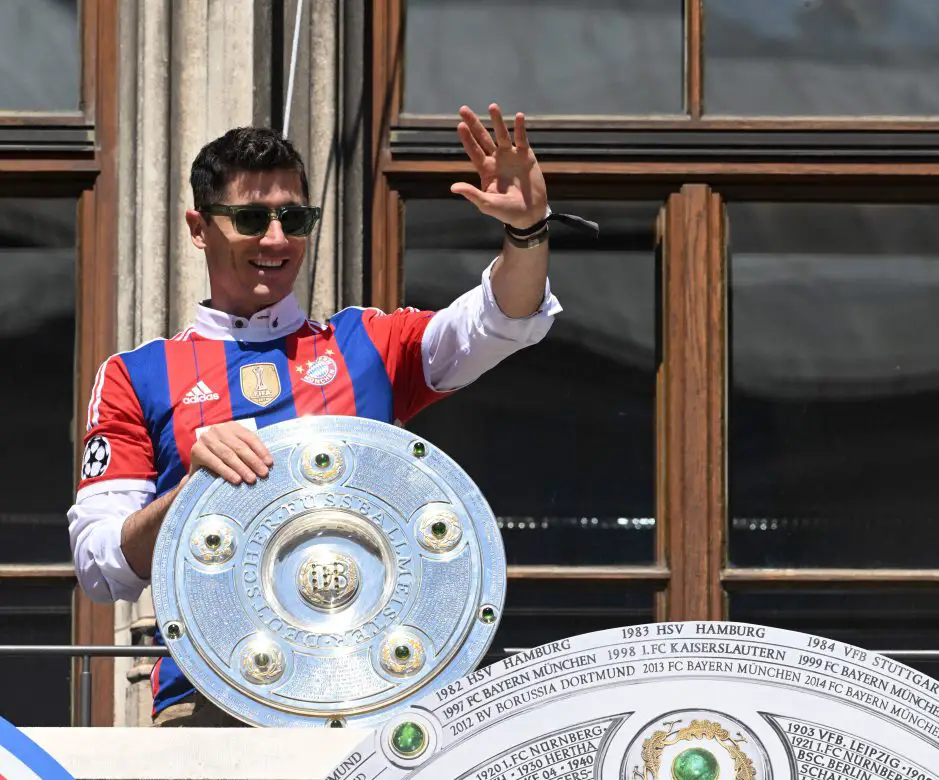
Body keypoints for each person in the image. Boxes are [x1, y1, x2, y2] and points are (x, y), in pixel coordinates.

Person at [68, 104, 573, 726]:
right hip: (213, 702)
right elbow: (99, 567)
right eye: (250, 219)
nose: (276, 240)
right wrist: (192, 498)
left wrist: (526, 233)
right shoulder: (135, 375)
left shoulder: (367, 343)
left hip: (373, 697)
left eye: (295, 218)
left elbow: (504, 321)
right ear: (199, 228)